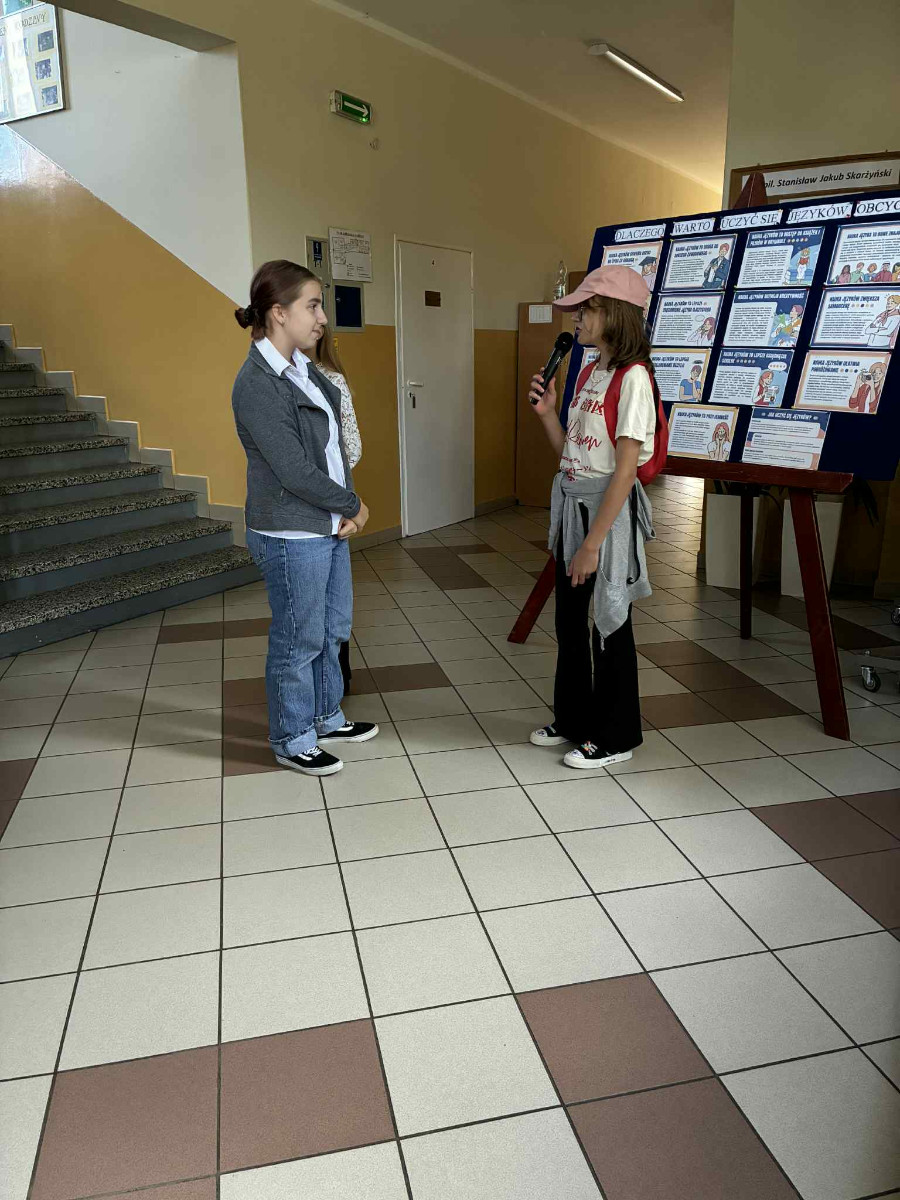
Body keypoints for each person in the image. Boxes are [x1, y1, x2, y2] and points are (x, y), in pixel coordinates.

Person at [232, 260, 378, 776]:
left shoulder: (304, 369)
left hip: (325, 524)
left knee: (333, 629)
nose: (322, 318)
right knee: (298, 639)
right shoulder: (257, 384)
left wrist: (343, 509)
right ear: (278, 312)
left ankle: (325, 716)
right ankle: (292, 737)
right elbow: (294, 470)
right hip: (291, 531)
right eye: (312, 306)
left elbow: (333, 450)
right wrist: (353, 505)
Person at [527, 265, 656, 770]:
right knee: (569, 621)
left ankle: (617, 735)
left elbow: (624, 472)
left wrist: (591, 544)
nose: (577, 319)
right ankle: (574, 718)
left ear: (615, 315)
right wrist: (548, 414)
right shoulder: (589, 371)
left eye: (587, 309)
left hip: (605, 518)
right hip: (574, 507)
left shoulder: (634, 378)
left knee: (609, 622)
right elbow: (571, 453)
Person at [314, 325, 363, 692]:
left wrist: (329, 488)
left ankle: (337, 679)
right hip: (297, 511)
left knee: (333, 602)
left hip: (330, 502)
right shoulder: (273, 378)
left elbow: (352, 446)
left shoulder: (331, 380)